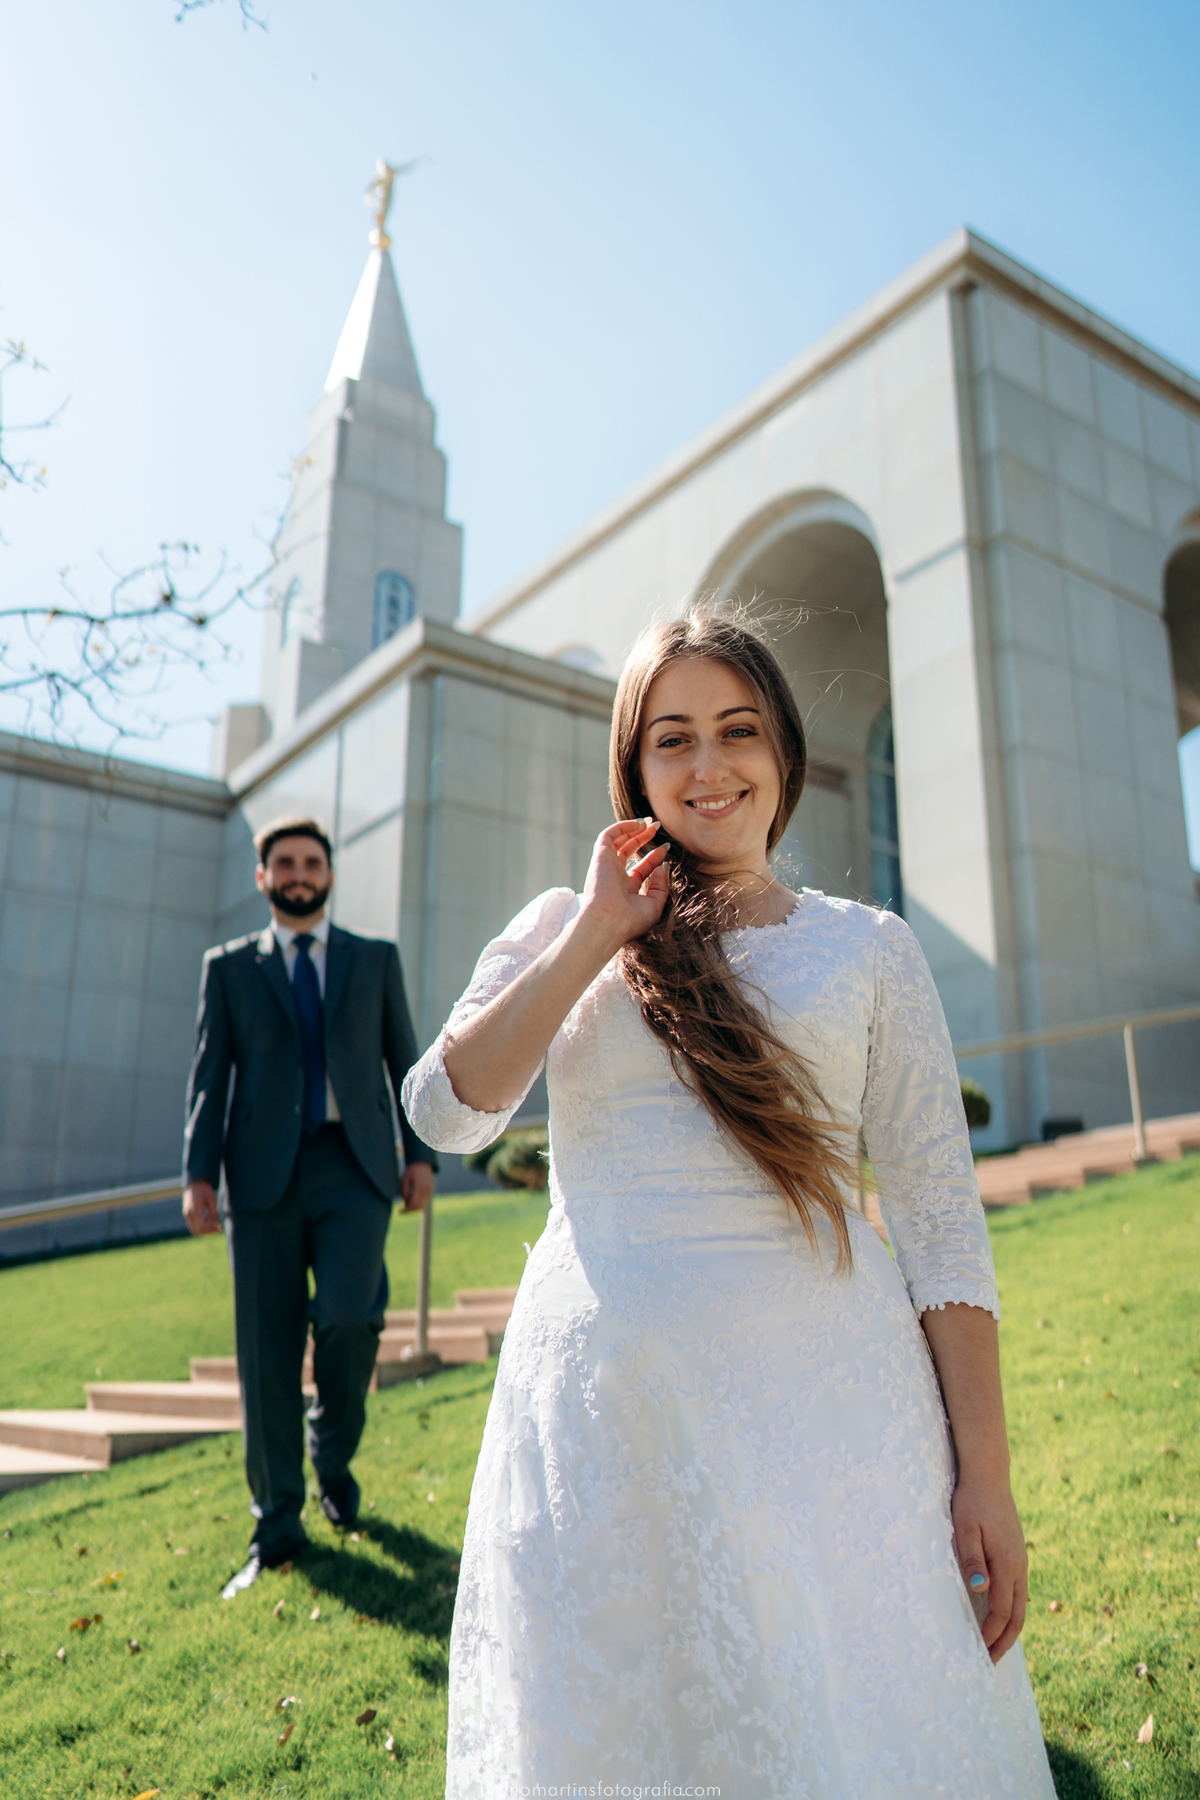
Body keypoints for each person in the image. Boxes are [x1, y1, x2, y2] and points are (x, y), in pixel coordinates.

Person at [403, 612, 1057, 1797]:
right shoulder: (565, 927)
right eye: (674, 740)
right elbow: (449, 1113)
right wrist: (601, 931)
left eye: (738, 731)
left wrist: (988, 1478)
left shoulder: (871, 951)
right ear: (635, 770)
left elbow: (943, 1229)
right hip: (607, 1430)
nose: (709, 768)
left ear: (785, 756)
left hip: (836, 1426)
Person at [182, 815, 437, 1598]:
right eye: (284, 863)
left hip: (353, 1166)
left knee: (352, 1319)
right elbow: (209, 1076)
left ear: (328, 873)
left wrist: (420, 1153)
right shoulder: (228, 971)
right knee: (265, 1350)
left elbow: (406, 1057)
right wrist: (197, 1174)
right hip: (258, 1177)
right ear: (262, 878)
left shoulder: (373, 960)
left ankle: (332, 1450)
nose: (298, 873)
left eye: (311, 861)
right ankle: (277, 1524)